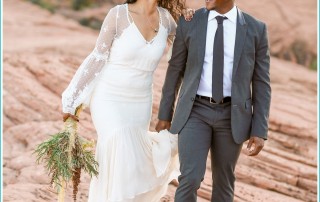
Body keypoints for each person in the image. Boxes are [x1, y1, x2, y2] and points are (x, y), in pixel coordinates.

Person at [61, 0, 194, 201]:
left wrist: (192, 19)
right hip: (109, 97)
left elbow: (189, 42)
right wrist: (71, 99)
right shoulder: (118, 15)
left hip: (140, 101)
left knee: (132, 163)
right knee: (119, 148)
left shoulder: (166, 19)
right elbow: (97, 57)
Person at [156, 0, 271, 201]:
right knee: (190, 178)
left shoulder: (256, 29)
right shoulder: (190, 21)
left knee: (224, 183)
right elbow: (175, 69)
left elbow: (262, 83)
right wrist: (165, 114)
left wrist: (259, 130)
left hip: (232, 116)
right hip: (194, 111)